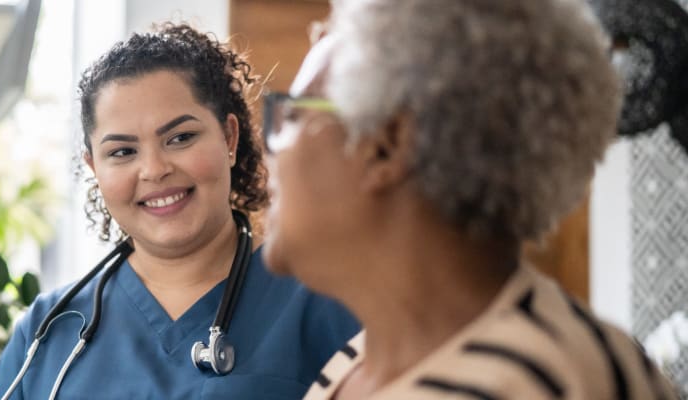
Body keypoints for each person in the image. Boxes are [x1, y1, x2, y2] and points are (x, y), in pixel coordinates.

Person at [260, 0, 678, 399]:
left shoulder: (538, 383)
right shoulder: (358, 359)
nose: (269, 151)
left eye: (292, 115)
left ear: (384, 144)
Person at [0, 23, 360, 400]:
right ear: (94, 167)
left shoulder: (325, 302)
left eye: (180, 138)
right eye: (122, 152)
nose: (154, 169)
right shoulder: (47, 332)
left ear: (229, 139)